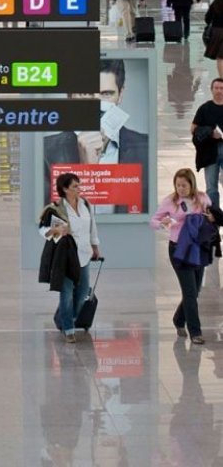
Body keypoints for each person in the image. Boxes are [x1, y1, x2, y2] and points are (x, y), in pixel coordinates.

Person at [43, 58, 149, 214]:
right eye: (85, 93)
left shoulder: (147, 149)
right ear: (70, 95)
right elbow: (50, 222)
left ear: (120, 95)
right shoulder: (44, 153)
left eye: (106, 94)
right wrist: (86, 171)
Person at [150, 168, 213, 343]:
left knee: (195, 290)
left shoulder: (202, 198)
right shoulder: (170, 201)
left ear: (191, 184)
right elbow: (153, 221)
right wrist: (163, 223)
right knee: (190, 292)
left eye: (184, 185)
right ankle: (195, 332)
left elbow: (212, 215)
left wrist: (210, 219)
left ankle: (179, 319)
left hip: (198, 248)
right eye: (178, 185)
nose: (181, 189)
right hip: (179, 249)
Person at [38, 172, 100, 343]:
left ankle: (65, 319)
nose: (79, 189)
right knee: (66, 294)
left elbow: (92, 227)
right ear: (65, 189)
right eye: (74, 186)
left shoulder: (85, 204)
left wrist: (95, 247)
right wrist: (55, 231)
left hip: (84, 254)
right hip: (67, 257)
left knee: (82, 293)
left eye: (78, 185)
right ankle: (68, 328)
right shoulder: (56, 208)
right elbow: (43, 229)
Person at [191, 78, 223, 207]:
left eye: (221, 88)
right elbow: (193, 128)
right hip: (210, 152)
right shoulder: (205, 108)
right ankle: (214, 218)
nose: (219, 91)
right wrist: (210, 132)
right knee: (211, 187)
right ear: (211, 90)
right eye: (216, 88)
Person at [203, 0, 223, 80]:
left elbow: (207, 19)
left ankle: (222, 78)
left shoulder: (216, 4)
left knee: (220, 58)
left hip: (217, 33)